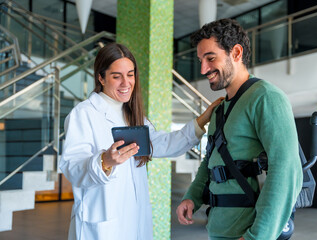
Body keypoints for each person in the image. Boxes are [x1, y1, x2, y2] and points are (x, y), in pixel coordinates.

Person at [59, 42, 223, 240]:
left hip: (133, 220)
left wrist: (202, 120)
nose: (126, 83)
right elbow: (72, 168)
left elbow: (162, 143)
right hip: (101, 227)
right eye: (116, 76)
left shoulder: (132, 115)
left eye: (130, 74)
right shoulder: (84, 114)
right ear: (101, 78)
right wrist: (105, 161)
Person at [176, 19, 303, 240]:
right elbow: (210, 162)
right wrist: (192, 197)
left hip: (248, 234)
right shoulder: (219, 110)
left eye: (210, 58)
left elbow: (286, 171)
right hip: (218, 230)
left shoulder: (266, 97)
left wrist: (258, 237)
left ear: (236, 52)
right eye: (200, 60)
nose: (203, 69)